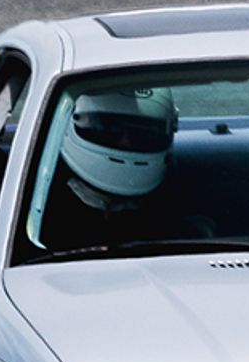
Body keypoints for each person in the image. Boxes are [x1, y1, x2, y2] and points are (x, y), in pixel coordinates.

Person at [38, 87, 190, 254]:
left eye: (141, 133)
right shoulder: (37, 203)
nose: (126, 143)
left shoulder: (173, 208)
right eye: (111, 130)